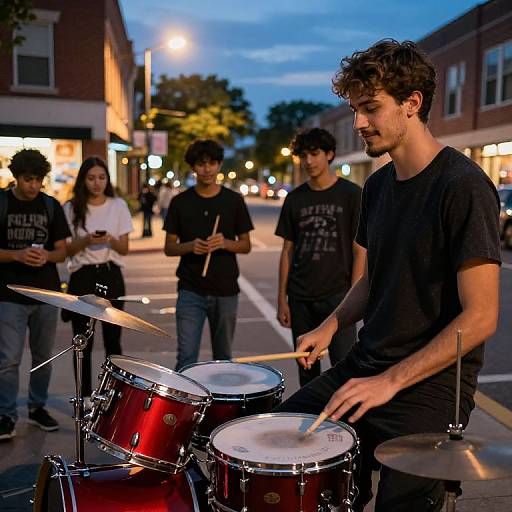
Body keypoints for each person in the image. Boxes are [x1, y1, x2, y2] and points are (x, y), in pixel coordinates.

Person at [275, 39, 501, 511]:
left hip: (430, 388)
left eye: (371, 108)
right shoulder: (376, 186)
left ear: (412, 103)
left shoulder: (462, 186)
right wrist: (332, 324)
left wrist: (391, 382)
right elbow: (375, 278)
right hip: (366, 366)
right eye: (355, 108)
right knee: (275, 441)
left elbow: (481, 317)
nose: (358, 122)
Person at [276, 128, 365, 387]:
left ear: (329, 155)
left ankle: (341, 426)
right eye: (303, 156)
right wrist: (282, 299)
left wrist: (354, 296)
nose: (309, 162)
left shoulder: (351, 195)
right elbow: (287, 250)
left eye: (315, 154)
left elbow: (361, 249)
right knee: (306, 369)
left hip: (338, 297)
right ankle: (310, 423)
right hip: (301, 296)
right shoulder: (295, 198)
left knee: (344, 368)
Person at [164, 139, 254, 370]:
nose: (207, 169)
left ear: (219, 165)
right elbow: (169, 247)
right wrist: (190, 246)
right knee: (186, 358)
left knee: (223, 358)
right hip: (190, 289)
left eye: (212, 163)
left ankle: (220, 406)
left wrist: (224, 243)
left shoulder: (233, 200)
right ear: (193, 166)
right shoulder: (180, 202)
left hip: (225, 290)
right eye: (201, 164)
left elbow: (245, 245)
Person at [0, 149, 70, 440]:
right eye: (28, 180)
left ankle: (37, 407)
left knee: (43, 356)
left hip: (46, 293)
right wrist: (17, 256)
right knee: (8, 358)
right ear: (17, 177)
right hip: (9, 293)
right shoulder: (2, 202)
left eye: (38, 180)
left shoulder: (51, 205)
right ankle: (5, 415)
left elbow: (62, 251)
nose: (33, 186)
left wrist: (47, 257)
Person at [64, 156, 133, 406]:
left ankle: (114, 395)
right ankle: (84, 398)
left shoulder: (118, 205)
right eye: (91, 178)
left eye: (101, 177)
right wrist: (85, 241)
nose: (97, 183)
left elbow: (124, 248)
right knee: (83, 341)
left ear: (107, 179)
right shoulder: (72, 207)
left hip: (111, 273)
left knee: (113, 340)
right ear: (83, 180)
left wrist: (110, 239)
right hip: (82, 276)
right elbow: (65, 250)